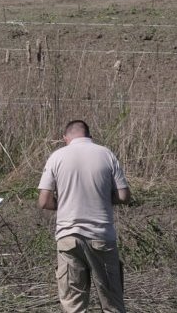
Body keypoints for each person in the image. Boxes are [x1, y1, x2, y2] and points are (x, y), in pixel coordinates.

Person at [37, 120, 131, 313]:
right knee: (112, 303)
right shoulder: (106, 154)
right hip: (101, 236)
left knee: (73, 305)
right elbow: (123, 196)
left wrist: (64, 204)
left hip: (68, 237)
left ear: (66, 138)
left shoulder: (57, 157)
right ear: (90, 136)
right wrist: (103, 199)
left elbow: (44, 201)